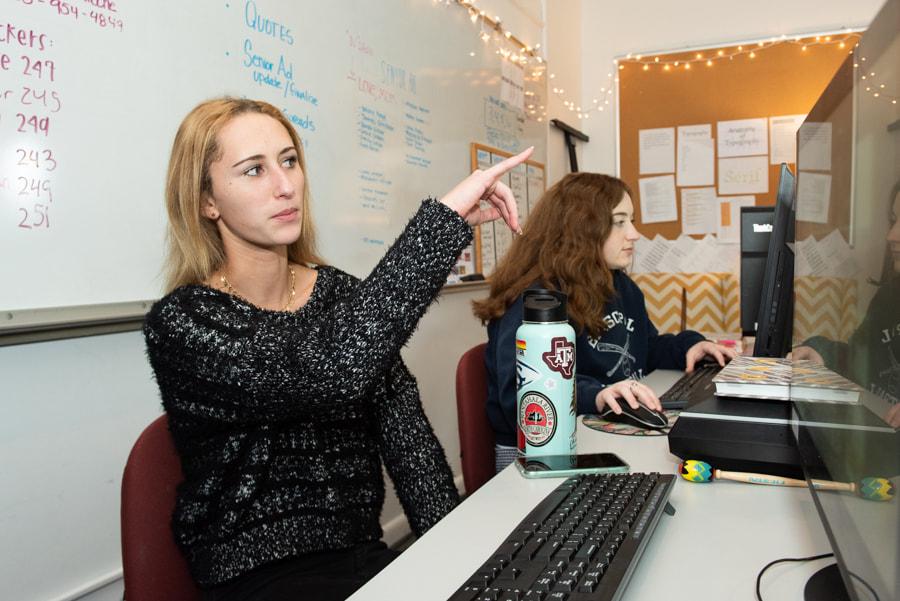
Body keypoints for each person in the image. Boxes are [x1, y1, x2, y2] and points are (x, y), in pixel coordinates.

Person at [143, 96, 532, 601]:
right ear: (206, 201)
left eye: (289, 161)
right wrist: (445, 220)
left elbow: (410, 447)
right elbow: (329, 369)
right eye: (254, 170)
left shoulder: (341, 298)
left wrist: (469, 566)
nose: (285, 185)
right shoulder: (184, 324)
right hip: (258, 577)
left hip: (363, 559)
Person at [472, 172, 737, 470]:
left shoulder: (621, 286)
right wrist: (597, 395)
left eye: (632, 221)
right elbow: (520, 397)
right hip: (534, 453)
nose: (634, 234)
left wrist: (690, 346)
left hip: (598, 431)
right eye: (620, 221)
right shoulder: (536, 303)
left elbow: (643, 349)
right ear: (581, 228)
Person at [792, 181, 900, 428]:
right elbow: (858, 359)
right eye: (894, 220)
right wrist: (820, 352)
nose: (891, 235)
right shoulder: (889, 297)